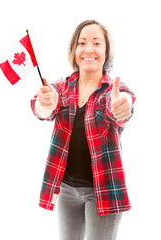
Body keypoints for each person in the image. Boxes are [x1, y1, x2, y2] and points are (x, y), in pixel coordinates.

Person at [31, 20, 136, 240]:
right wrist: (45, 103)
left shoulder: (113, 91)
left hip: (103, 192)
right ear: (74, 50)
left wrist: (123, 104)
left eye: (96, 43)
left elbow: (122, 104)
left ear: (106, 52)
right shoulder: (62, 87)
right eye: (82, 43)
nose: (89, 49)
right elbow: (42, 109)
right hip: (67, 191)